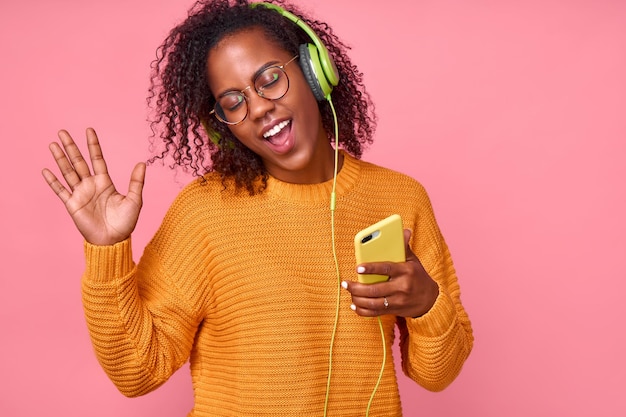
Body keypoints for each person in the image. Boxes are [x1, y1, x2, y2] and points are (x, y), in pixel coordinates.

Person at [41, 0, 473, 416]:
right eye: (233, 102)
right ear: (224, 127)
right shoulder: (204, 212)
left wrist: (427, 305)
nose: (259, 108)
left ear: (313, 71)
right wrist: (107, 253)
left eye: (269, 79)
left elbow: (437, 375)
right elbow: (138, 372)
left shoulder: (400, 198)